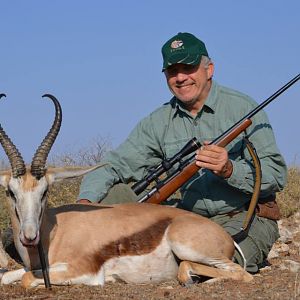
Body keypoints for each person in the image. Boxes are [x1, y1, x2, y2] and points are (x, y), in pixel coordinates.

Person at [77, 32, 287, 273]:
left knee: (216, 264)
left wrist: (229, 170)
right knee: (112, 197)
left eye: (188, 68)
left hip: (243, 217)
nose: (180, 78)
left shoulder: (244, 108)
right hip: (186, 223)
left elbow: (276, 176)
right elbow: (114, 165)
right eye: (172, 71)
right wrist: (85, 204)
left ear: (209, 69)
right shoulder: (157, 122)